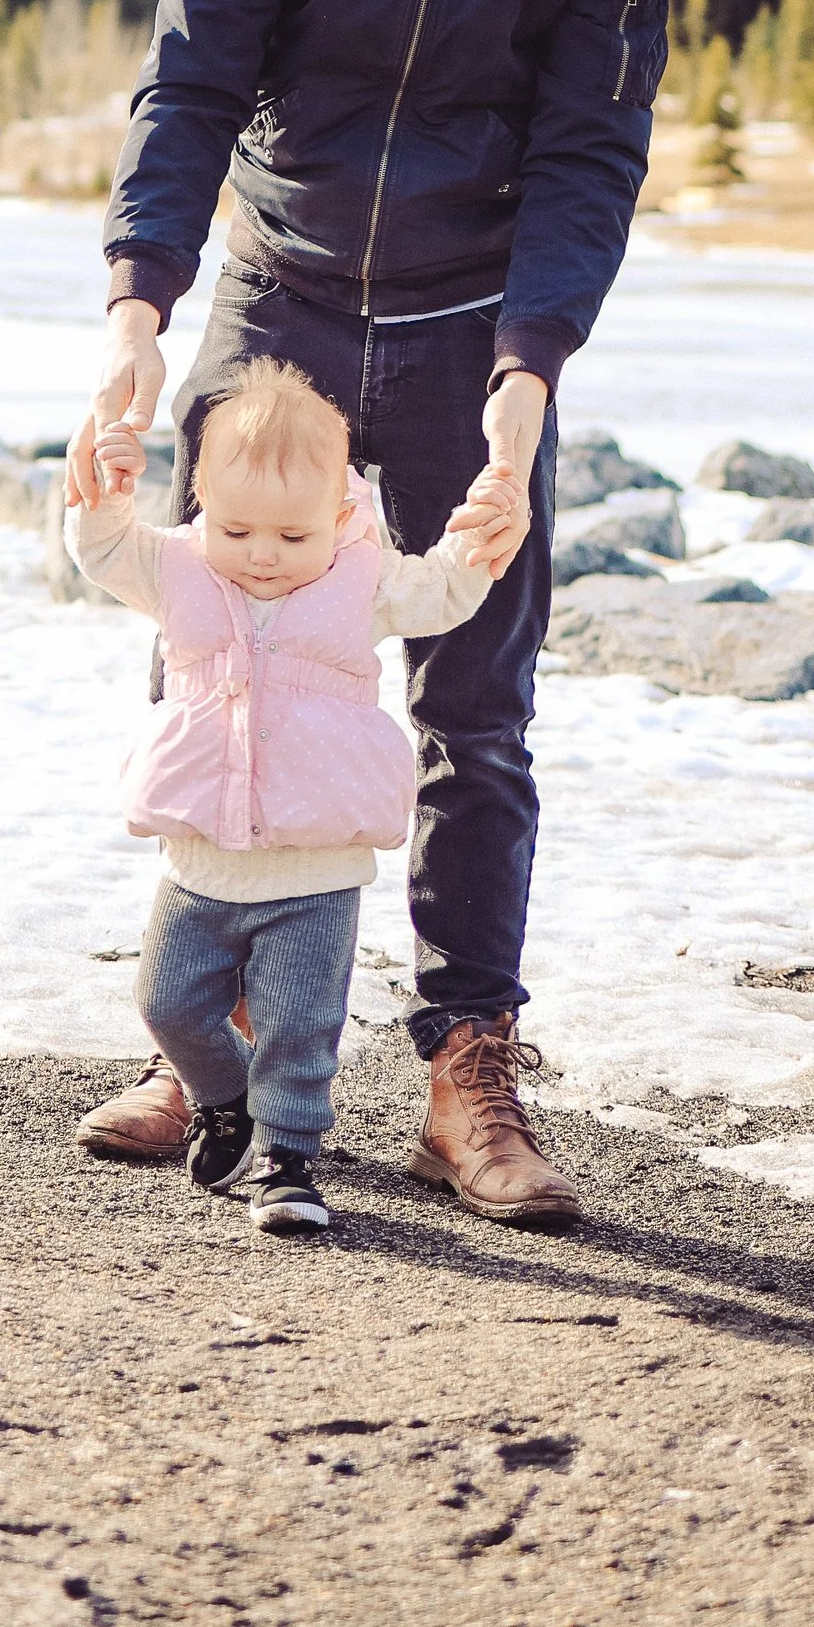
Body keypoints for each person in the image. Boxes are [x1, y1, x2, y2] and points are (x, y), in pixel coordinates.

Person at [73, 0, 668, 1224]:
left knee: (474, 710)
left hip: (474, 328)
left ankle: (464, 1069)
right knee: (224, 648)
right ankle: (218, 1047)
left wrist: (528, 373)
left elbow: (586, 158)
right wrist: (140, 310)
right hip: (281, 312)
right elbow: (187, 88)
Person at [64, 357, 525, 1235]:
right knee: (166, 1003)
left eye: (291, 536)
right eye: (236, 532)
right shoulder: (181, 569)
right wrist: (106, 488)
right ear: (201, 504)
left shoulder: (365, 582)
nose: (262, 557)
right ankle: (223, 1099)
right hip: (200, 861)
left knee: (298, 1025)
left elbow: (444, 590)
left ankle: (288, 1157)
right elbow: (105, 549)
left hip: (315, 869)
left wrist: (477, 541)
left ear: (341, 516)